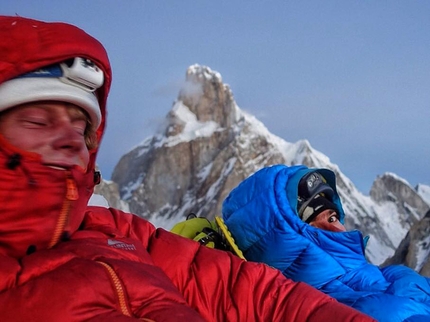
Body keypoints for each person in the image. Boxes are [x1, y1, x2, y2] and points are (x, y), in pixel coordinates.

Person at [0, 16, 375, 322]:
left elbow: (251, 293)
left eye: (82, 128)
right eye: (37, 121)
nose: (72, 140)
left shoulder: (114, 230)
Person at [221, 164, 430, 321]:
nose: (341, 228)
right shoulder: (347, 309)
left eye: (336, 217)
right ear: (290, 239)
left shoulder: (382, 278)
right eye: (329, 218)